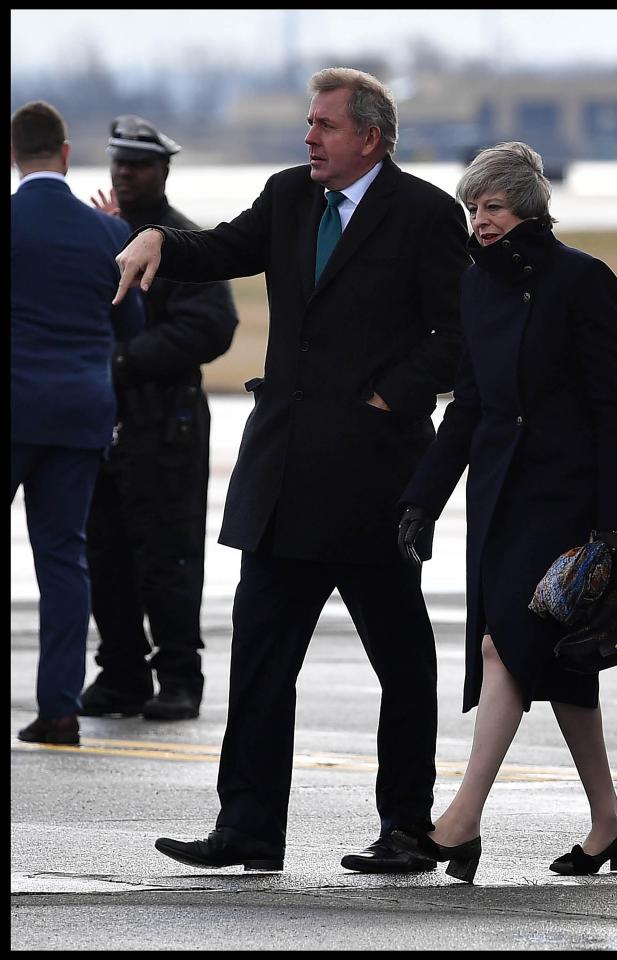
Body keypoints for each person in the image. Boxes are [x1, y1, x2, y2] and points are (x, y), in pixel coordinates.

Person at [112, 68, 470, 873]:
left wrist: (392, 395)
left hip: (375, 484)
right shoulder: (287, 196)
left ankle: (406, 828)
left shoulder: (423, 214)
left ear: (369, 137)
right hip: (282, 481)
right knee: (261, 663)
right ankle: (247, 830)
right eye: (309, 124)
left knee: (402, 665)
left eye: (324, 126)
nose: (308, 136)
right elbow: (222, 248)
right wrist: (161, 240)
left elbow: (459, 333)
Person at [393, 142, 617, 883]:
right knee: (564, 669)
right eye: (473, 209)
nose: (480, 221)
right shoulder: (476, 287)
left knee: (504, 645)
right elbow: (469, 405)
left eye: (493, 207)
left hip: (567, 502)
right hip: (498, 498)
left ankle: (460, 822)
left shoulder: (583, 280)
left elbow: (613, 407)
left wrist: (616, 520)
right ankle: (609, 825)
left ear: (527, 208)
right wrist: (423, 498)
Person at [79, 115, 239, 722]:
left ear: (162, 171)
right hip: (107, 423)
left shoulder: (182, 244)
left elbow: (210, 326)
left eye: (138, 165)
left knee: (167, 556)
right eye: (118, 163)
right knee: (105, 554)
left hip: (166, 422)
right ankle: (120, 672)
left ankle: (178, 676)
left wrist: (120, 360)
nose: (125, 172)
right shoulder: (105, 235)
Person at [11, 101, 145, 745]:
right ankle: (60, 709)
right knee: (64, 560)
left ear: (14, 156)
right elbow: (131, 326)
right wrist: (114, 234)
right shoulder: (106, 233)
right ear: (66, 156)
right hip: (82, 410)